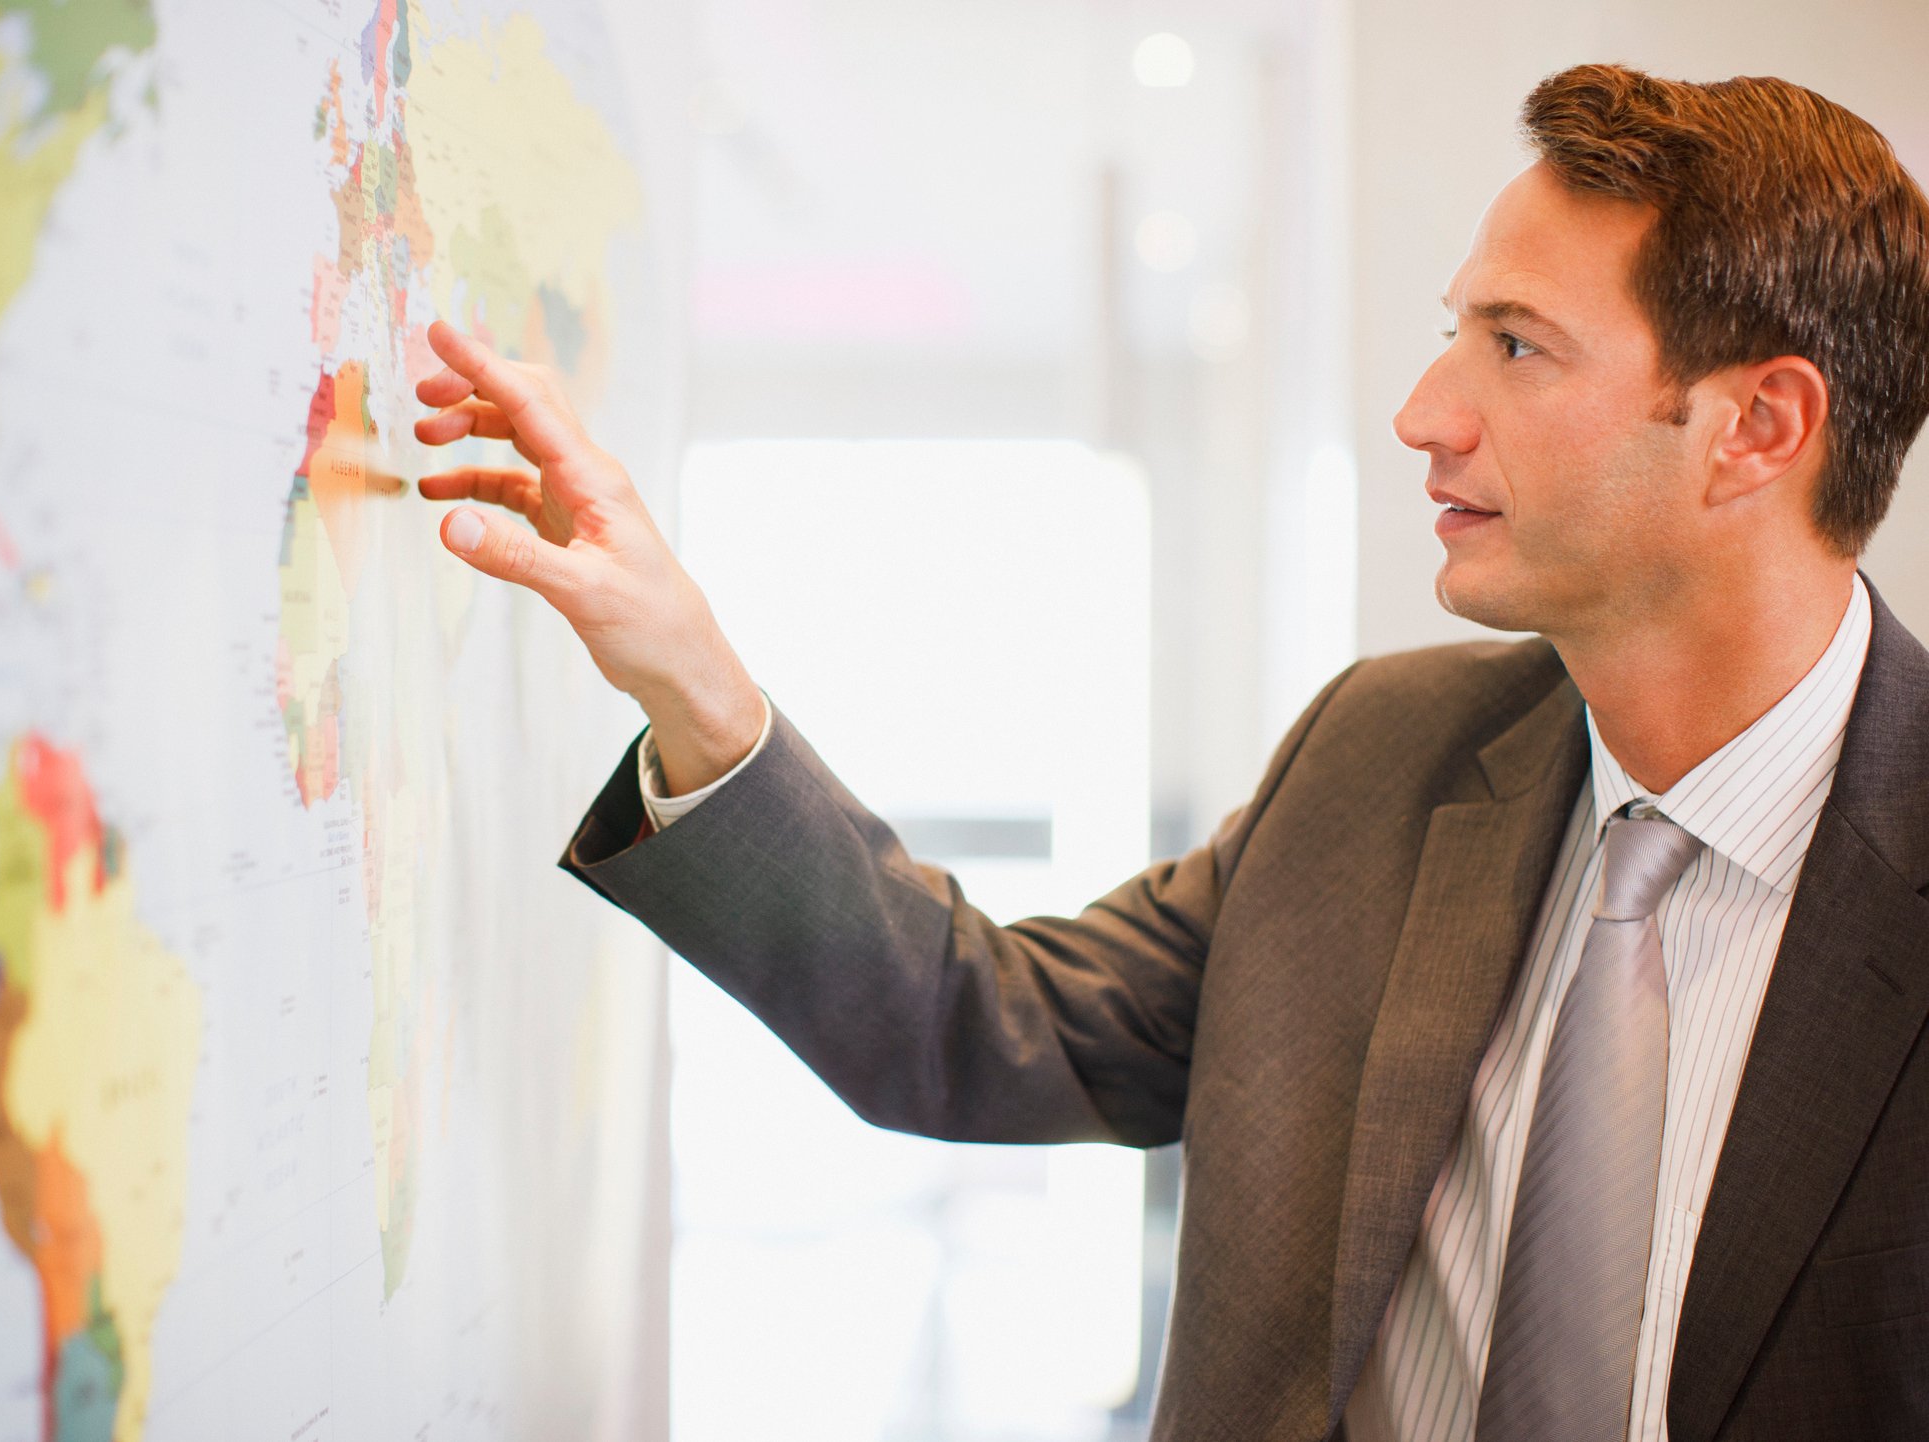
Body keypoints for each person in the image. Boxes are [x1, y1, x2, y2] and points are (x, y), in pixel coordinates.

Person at [411, 63, 1929, 1442]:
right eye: (1452, 333)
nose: (1424, 413)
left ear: (1758, 428)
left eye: (1518, 345)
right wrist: (693, 678)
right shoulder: (1380, 757)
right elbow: (977, 1021)